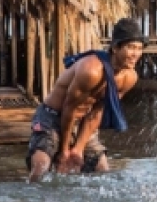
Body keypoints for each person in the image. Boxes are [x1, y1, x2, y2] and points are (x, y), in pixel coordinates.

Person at [26, 18, 147, 182]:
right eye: (131, 47)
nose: (136, 54)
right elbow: (69, 109)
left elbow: (97, 112)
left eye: (139, 48)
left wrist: (78, 149)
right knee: (41, 168)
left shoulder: (129, 77)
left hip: (83, 121)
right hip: (53, 117)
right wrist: (64, 151)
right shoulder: (91, 71)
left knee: (103, 171)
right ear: (115, 47)